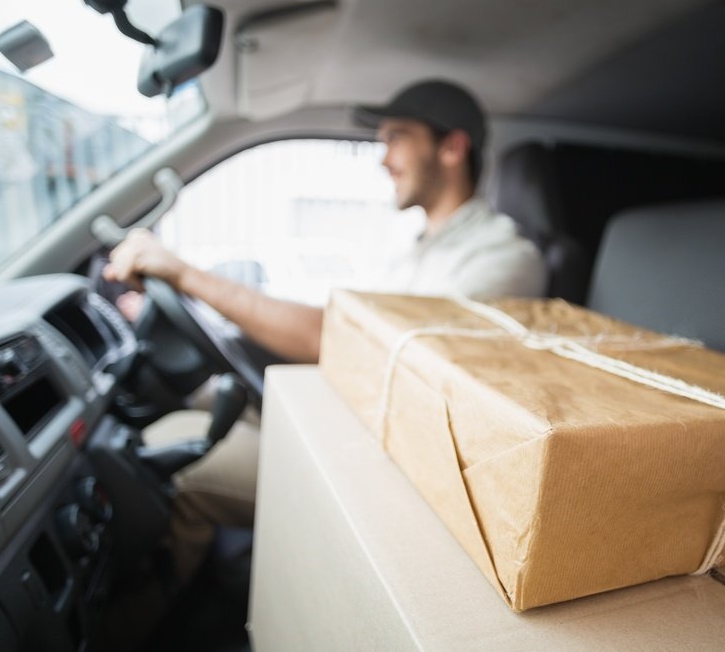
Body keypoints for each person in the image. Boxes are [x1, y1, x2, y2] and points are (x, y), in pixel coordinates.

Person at [103, 79, 547, 582]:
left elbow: (338, 337)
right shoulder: (415, 250)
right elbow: (342, 326)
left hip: (390, 474)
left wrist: (185, 274)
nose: (384, 160)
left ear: (452, 147)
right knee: (188, 412)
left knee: (179, 463)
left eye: (397, 138)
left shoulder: (503, 260)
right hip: (345, 424)